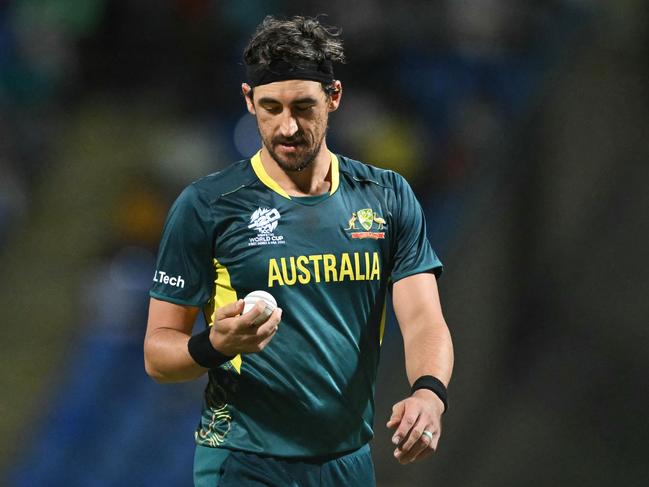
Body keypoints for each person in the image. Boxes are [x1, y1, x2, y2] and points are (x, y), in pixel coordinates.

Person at [144, 15, 454, 487]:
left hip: (347, 462)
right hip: (243, 460)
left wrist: (429, 393)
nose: (287, 127)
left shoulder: (387, 197)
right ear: (249, 101)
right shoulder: (208, 206)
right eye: (271, 107)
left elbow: (423, 319)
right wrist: (215, 345)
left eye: (304, 107)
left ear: (334, 97)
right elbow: (157, 354)